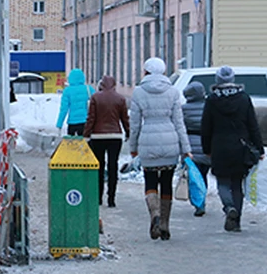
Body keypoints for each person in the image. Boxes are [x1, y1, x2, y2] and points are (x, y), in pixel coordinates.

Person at [127, 57, 192, 240]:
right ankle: (164, 225)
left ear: (146, 71)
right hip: (170, 141)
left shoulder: (139, 92)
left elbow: (135, 125)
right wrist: (185, 149)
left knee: (150, 182)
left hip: (148, 141)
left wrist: (134, 149)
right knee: (166, 183)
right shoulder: (172, 92)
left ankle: (154, 214)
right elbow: (180, 124)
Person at [201, 65, 265, 233]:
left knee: (222, 181)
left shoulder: (212, 99)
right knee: (237, 183)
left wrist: (206, 148)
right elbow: (253, 125)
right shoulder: (244, 98)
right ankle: (236, 222)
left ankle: (229, 207)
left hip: (219, 146)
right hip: (240, 146)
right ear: (232, 80)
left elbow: (206, 127)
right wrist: (260, 148)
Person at [84, 75, 130, 208]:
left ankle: (98, 197)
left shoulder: (95, 97)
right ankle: (111, 198)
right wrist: (128, 132)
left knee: (98, 166)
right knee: (113, 167)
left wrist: (86, 134)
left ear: (102, 85)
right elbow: (125, 118)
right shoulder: (120, 99)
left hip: (98, 137)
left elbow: (91, 118)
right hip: (115, 137)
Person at [181, 82, 211, 217]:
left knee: (194, 176)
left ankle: (199, 203)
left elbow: (181, 128)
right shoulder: (208, 107)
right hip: (207, 146)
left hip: (191, 146)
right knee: (203, 175)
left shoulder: (184, 109)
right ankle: (202, 200)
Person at [55, 68, 94, 137]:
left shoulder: (67, 91)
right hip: (86, 122)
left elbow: (64, 109)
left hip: (72, 123)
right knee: (86, 144)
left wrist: (59, 124)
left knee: (72, 145)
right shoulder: (89, 89)